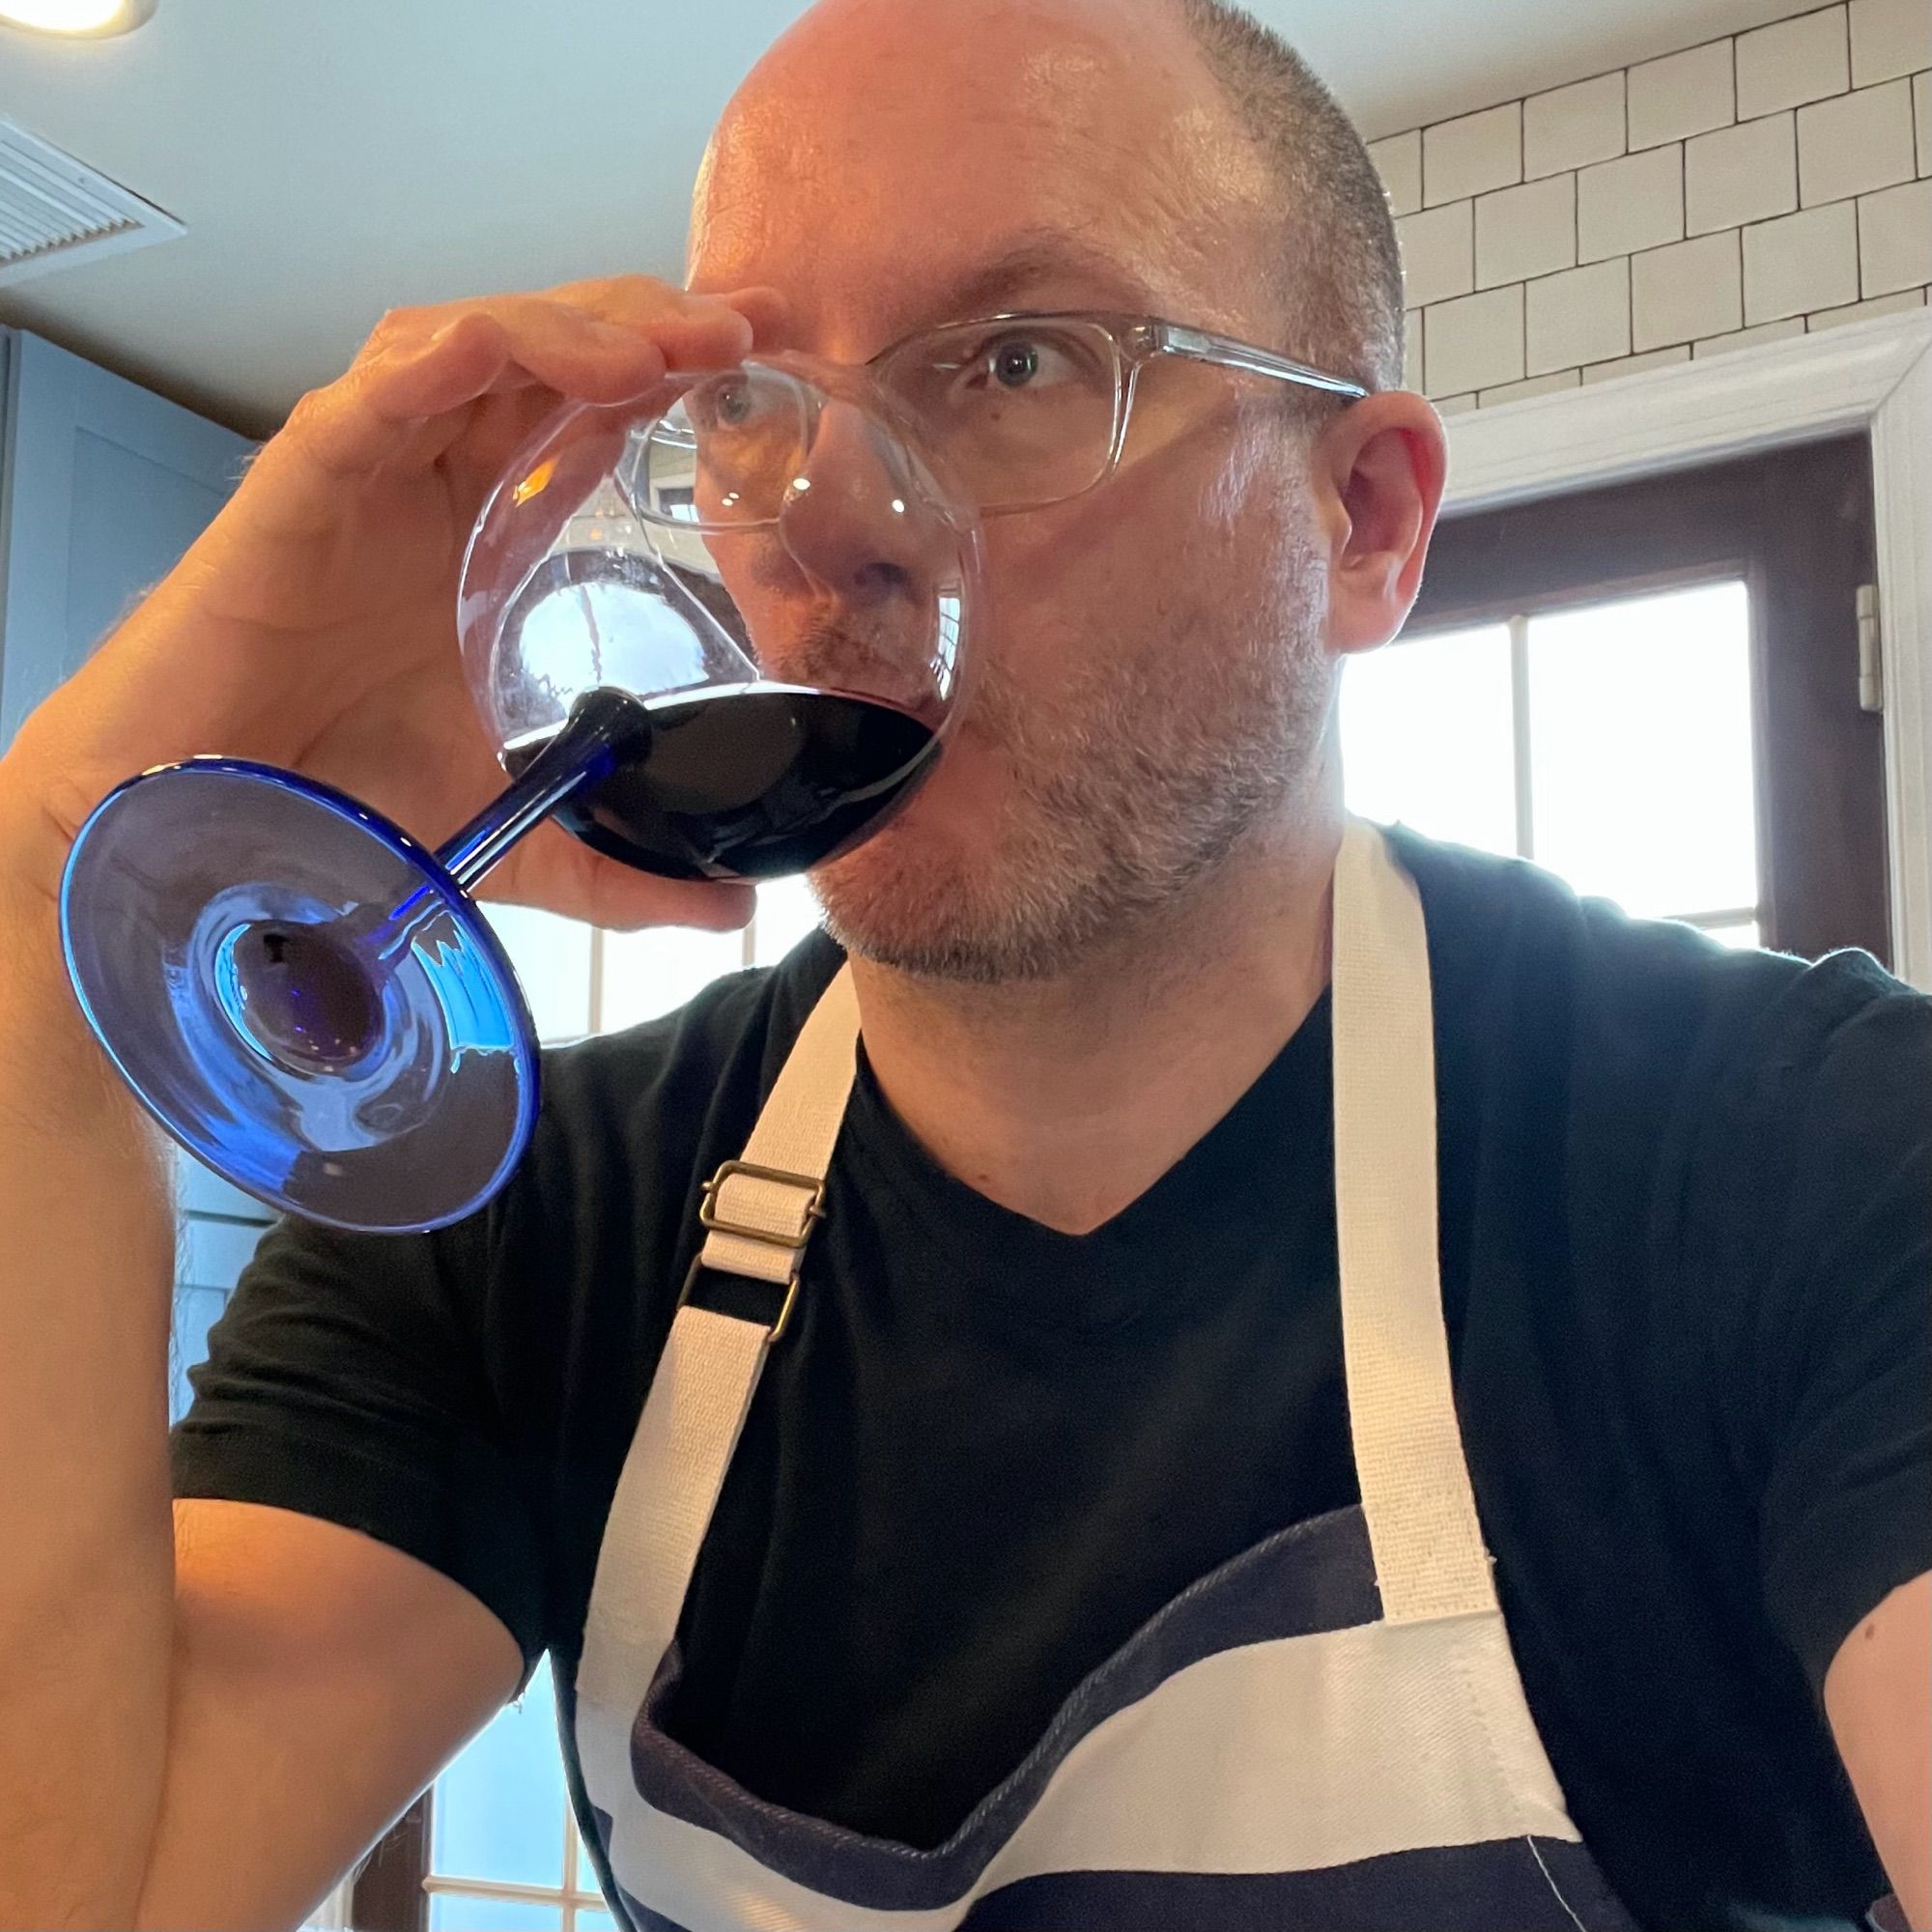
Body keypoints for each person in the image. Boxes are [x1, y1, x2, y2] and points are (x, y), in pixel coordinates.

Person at [0, 0, 1926, 1925]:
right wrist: (50, 873)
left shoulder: (1804, 1169)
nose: (827, 517)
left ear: (1358, 521)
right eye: (754, 401)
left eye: (1016, 360)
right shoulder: (526, 1222)